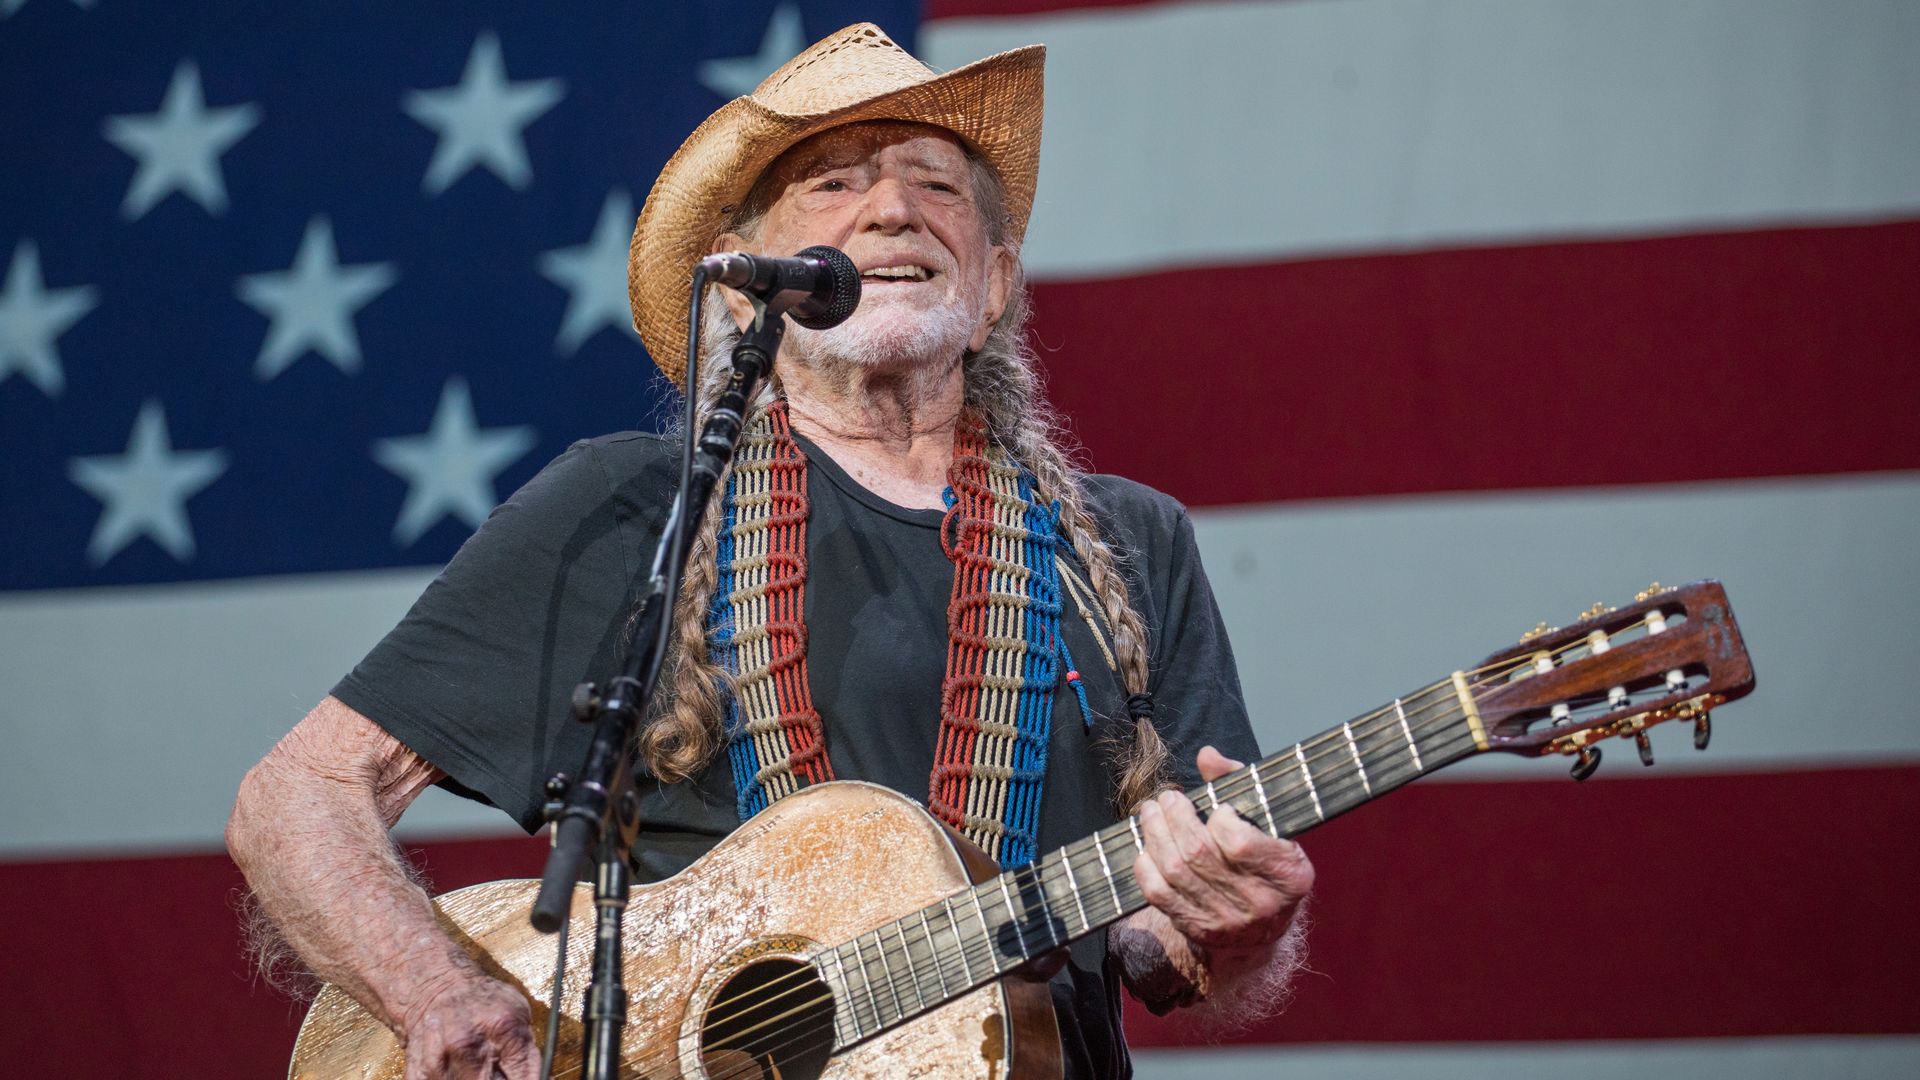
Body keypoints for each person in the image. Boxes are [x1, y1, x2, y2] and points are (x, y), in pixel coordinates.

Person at [227, 23, 1313, 1080]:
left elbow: (1173, 952)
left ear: (992, 287)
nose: (891, 208)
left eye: (937, 186)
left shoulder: (1131, 541)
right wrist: (438, 993)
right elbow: (298, 797)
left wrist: (1239, 929)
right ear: (750, 282)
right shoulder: (627, 507)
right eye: (832, 184)